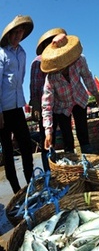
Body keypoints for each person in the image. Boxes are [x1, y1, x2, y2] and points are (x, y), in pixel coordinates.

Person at [41, 33, 99, 154]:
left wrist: (96, 94)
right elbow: (47, 105)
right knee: (67, 137)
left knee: (83, 132)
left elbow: (87, 78)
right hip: (62, 106)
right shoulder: (50, 78)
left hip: (79, 98)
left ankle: (87, 154)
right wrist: (48, 132)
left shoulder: (79, 60)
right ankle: (70, 156)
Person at [0, 15, 35, 193]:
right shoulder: (1, 53)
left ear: (22, 34)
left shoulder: (22, 53)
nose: (17, 36)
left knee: (26, 145)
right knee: (7, 150)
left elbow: (20, 79)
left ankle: (30, 182)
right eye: (14, 33)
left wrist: (24, 101)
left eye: (19, 32)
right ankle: (16, 190)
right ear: (8, 35)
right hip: (3, 109)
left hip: (17, 106)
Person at [29, 27, 67, 170]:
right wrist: (36, 106)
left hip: (62, 104)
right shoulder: (38, 61)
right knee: (46, 139)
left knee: (65, 136)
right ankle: (48, 171)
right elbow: (34, 85)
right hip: (46, 107)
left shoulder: (62, 58)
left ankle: (68, 168)